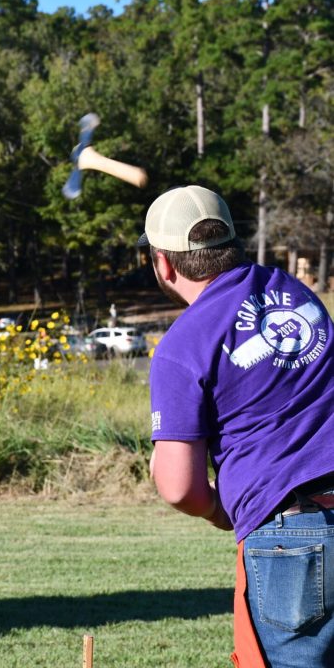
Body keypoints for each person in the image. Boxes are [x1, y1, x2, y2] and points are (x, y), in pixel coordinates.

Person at [138, 185, 334, 668]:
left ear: (163, 263)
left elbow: (178, 486)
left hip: (291, 533)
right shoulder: (294, 292)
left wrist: (218, 511)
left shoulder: (181, 346)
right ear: (231, 241)